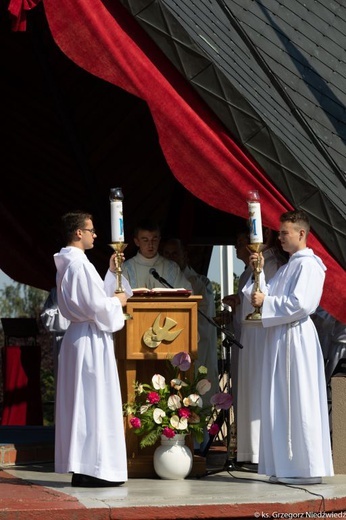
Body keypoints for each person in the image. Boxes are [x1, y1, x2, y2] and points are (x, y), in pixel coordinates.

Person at [247, 210, 334, 484]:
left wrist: (267, 302)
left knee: (297, 398)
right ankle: (285, 465)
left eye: (284, 233)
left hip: (296, 339)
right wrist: (257, 271)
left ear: (301, 234)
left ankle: (303, 467)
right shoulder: (287, 267)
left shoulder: (309, 265)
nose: (280, 238)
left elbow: (301, 304)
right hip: (280, 338)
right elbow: (261, 296)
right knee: (281, 400)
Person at [53, 210, 133, 488]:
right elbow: (96, 305)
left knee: (85, 403)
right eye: (91, 230)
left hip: (82, 335)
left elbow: (94, 296)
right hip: (89, 340)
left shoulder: (72, 263)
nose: (95, 235)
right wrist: (118, 302)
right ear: (78, 233)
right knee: (92, 402)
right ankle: (94, 469)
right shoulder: (78, 265)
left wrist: (111, 274)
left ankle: (87, 467)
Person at [235, 228, 287, 465]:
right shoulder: (255, 264)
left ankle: (260, 451)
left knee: (259, 390)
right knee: (248, 390)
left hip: (262, 332)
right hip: (249, 332)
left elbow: (269, 296)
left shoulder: (273, 263)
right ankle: (249, 450)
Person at [161, 238, 219, 451]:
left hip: (195, 349)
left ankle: (196, 446)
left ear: (185, 254)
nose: (170, 258)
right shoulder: (159, 275)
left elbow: (204, 321)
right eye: (166, 253)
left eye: (174, 253)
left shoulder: (200, 282)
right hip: (168, 347)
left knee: (196, 397)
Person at [121, 219, 192, 291]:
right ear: (137, 242)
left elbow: (188, 294)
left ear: (159, 240)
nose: (150, 245)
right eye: (145, 240)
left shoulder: (172, 267)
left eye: (154, 240)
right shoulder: (126, 268)